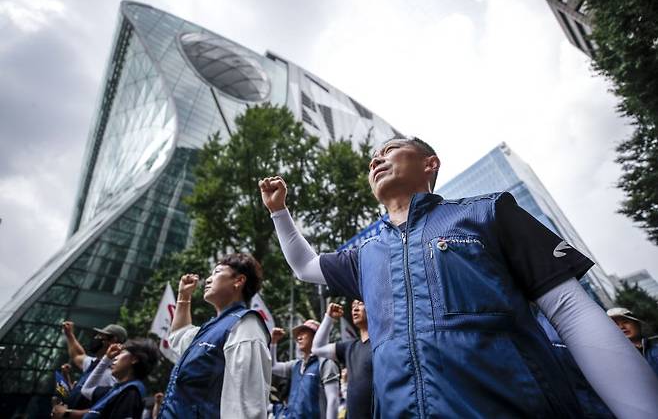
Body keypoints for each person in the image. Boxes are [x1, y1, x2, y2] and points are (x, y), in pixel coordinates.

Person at [259, 136, 658, 419]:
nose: (376, 161)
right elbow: (304, 267)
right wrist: (279, 212)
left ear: (430, 163)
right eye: (372, 160)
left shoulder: (488, 213)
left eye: (390, 150)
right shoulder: (364, 254)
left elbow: (571, 311)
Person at [158, 253, 271, 419]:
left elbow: (248, 405)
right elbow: (177, 337)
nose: (208, 280)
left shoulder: (246, 326)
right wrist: (184, 296)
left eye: (217, 272)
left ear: (239, 281)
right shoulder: (210, 328)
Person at [51, 339, 158, 419]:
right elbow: (87, 389)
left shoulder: (131, 392)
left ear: (134, 359)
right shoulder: (116, 390)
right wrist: (106, 358)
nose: (115, 357)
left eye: (121, 354)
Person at [311, 301, 372, 419]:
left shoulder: (381, 346)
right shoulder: (349, 347)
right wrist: (328, 318)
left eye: (360, 304)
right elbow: (317, 348)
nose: (355, 309)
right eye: (353, 306)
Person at [270, 320, 340, 419]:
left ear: (316, 336)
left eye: (304, 333)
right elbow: (273, 367)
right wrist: (273, 342)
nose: (299, 337)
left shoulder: (325, 363)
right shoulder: (296, 365)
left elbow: (333, 400)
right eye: (298, 334)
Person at [61, 321, 127, 409]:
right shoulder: (95, 362)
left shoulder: (112, 373)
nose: (96, 338)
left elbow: (101, 408)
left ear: (113, 340)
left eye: (100, 336)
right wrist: (69, 334)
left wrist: (67, 414)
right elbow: (77, 355)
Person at [608, 307, 658, 376]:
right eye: (615, 325)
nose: (622, 327)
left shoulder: (655, 348)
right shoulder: (613, 361)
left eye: (625, 322)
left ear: (637, 324)